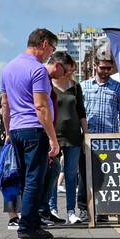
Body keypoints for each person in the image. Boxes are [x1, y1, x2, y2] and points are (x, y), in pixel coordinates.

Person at [0, 28, 61, 239]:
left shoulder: (8, 68)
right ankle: (26, 226)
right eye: (52, 49)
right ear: (44, 44)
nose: (50, 54)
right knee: (36, 178)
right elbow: (41, 106)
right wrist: (53, 138)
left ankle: (32, 222)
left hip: (16, 128)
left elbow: (4, 105)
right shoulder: (38, 70)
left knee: (27, 178)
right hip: (34, 129)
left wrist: (8, 131)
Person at [80, 54, 120, 222]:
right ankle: (85, 209)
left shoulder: (118, 88)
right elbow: (79, 113)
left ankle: (103, 210)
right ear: (95, 66)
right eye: (103, 68)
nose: (106, 71)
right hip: (88, 138)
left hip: (110, 138)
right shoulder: (83, 86)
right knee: (85, 175)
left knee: (106, 176)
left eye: (109, 68)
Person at [43, 52, 86, 225]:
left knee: (70, 174)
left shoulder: (75, 87)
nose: (69, 71)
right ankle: (52, 209)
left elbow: (81, 112)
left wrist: (86, 135)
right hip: (53, 135)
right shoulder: (47, 85)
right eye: (68, 68)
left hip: (74, 135)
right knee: (53, 173)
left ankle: (71, 211)